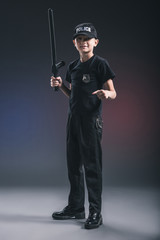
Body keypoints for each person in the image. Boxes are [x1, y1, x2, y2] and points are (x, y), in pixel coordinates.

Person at [50, 22, 117, 229]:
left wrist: (106, 94)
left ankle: (95, 211)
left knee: (92, 167)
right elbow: (73, 96)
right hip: (73, 121)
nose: (83, 42)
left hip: (91, 121)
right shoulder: (72, 67)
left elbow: (114, 92)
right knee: (73, 166)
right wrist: (61, 86)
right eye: (79, 39)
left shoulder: (100, 64)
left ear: (95, 42)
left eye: (87, 39)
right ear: (74, 43)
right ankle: (76, 207)